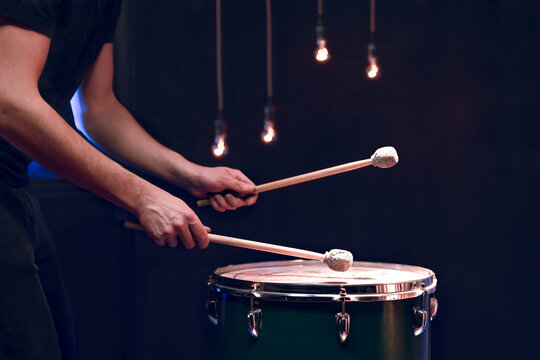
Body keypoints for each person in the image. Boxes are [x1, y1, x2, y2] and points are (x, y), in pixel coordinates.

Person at [0, 0, 257, 359]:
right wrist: (142, 197)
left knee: (59, 345)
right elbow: (9, 102)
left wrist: (189, 174)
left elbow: (99, 108)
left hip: (11, 181)